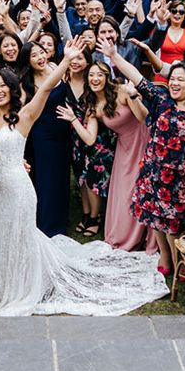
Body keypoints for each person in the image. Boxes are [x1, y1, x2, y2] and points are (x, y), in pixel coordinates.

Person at [0, 43, 168, 316]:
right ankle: (1, 283)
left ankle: (22, 286)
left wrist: (66, 60)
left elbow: (46, 88)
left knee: (20, 237)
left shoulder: (24, 116)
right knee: (0, 237)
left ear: (13, 89)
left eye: (3, 86)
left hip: (19, 191)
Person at [97, 37, 185, 275]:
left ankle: (179, 262)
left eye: (181, 80)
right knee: (155, 217)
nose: (175, 83)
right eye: (173, 79)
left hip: (179, 176)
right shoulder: (162, 100)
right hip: (153, 171)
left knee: (173, 224)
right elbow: (137, 76)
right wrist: (114, 57)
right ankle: (165, 257)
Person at [56, 61, 118, 238]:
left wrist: (73, 119)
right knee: (82, 179)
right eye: (92, 75)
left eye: (99, 75)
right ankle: (86, 214)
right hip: (82, 140)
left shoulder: (114, 94)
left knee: (94, 182)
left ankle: (95, 217)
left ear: (107, 77)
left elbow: (91, 138)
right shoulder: (89, 97)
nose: (95, 78)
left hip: (102, 146)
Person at [18, 41, 73, 237]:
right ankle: (48, 225)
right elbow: (22, 110)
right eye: (34, 55)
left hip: (64, 129)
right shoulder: (27, 82)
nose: (40, 57)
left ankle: (62, 218)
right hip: (43, 133)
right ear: (28, 60)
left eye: (41, 52)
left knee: (62, 177)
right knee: (46, 179)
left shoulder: (55, 68)